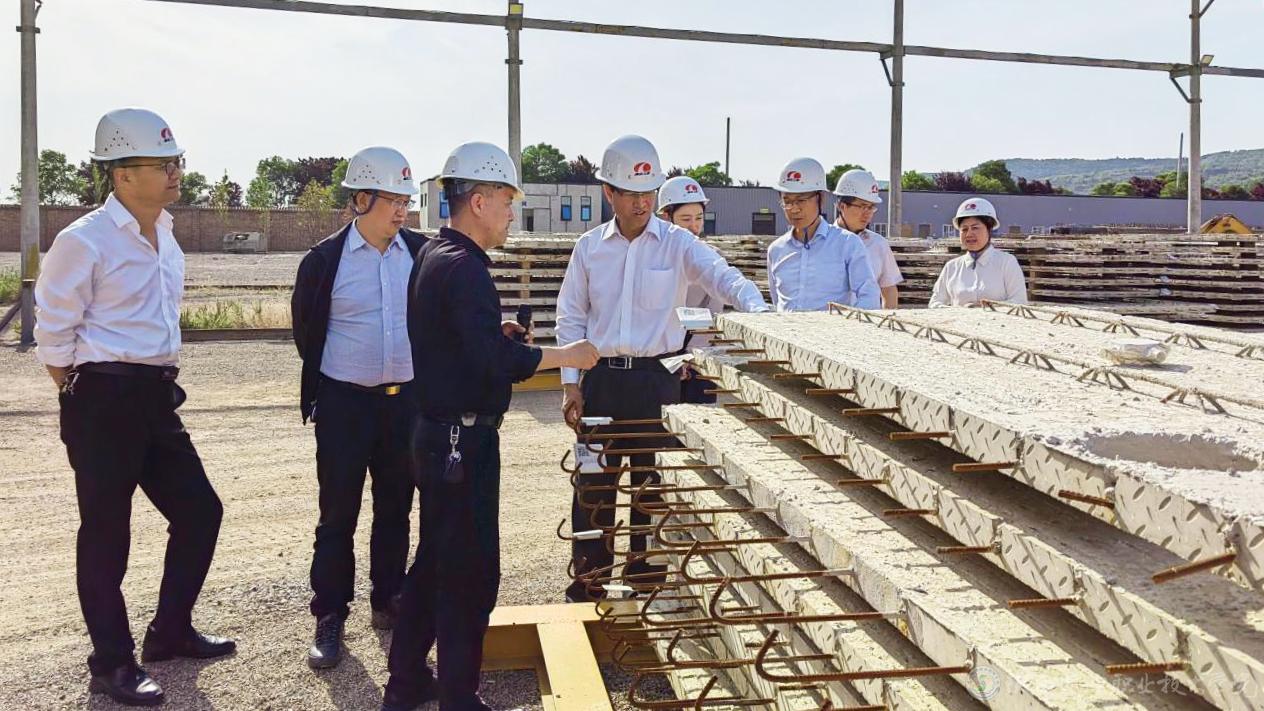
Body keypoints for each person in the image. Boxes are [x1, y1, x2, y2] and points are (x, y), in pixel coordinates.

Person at [382, 142, 599, 711]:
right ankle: (458, 696)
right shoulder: (465, 269)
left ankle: (406, 682)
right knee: (470, 574)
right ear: (478, 201)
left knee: (434, 561)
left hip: (437, 435)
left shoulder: (434, 256)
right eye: (506, 201)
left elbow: (456, 342)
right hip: (462, 442)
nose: (511, 214)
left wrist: (491, 333)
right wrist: (566, 355)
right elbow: (495, 362)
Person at [34, 107, 234, 707]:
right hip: (102, 398)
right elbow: (53, 333)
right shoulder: (84, 240)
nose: (175, 172)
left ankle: (169, 631)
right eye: (162, 163)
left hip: (155, 397)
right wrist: (83, 398)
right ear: (122, 174)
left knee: (200, 511)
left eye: (177, 161)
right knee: (106, 533)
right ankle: (112, 662)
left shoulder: (167, 234)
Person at [555, 135, 769, 603]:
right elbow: (570, 316)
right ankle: (589, 583)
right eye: (631, 193)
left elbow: (724, 278)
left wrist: (761, 312)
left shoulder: (677, 244)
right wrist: (571, 385)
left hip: (657, 384)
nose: (642, 203)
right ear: (609, 192)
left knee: (653, 487)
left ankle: (645, 581)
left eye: (648, 192)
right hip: (601, 382)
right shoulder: (589, 249)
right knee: (593, 487)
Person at [290, 146, 426, 669]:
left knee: (396, 508)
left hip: (404, 405)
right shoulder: (325, 261)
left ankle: (388, 598)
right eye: (392, 200)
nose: (402, 211)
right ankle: (330, 614)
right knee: (337, 514)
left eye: (406, 201)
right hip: (344, 406)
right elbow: (306, 333)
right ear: (361, 199)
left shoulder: (420, 253)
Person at [766, 157, 880, 311]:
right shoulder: (776, 250)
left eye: (801, 200)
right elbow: (777, 301)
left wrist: (848, 324)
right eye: (787, 201)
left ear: (820, 199)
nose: (794, 209)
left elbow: (869, 296)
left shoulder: (847, 244)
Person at [656, 175, 721, 404]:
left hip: (695, 357)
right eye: (685, 219)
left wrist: (688, 357)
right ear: (666, 217)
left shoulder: (711, 259)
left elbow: (710, 316)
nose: (694, 226)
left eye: (699, 218)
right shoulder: (650, 259)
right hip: (656, 357)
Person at [929, 197, 1028, 307]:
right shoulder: (951, 267)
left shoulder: (1007, 263)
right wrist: (957, 311)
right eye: (964, 229)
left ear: (989, 230)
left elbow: (1020, 302)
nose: (969, 234)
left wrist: (985, 309)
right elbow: (935, 303)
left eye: (975, 228)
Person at [832, 169, 903, 309]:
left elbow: (889, 290)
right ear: (842, 206)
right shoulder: (823, 243)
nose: (868, 214)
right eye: (863, 207)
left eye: (871, 207)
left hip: (869, 321)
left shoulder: (878, 244)